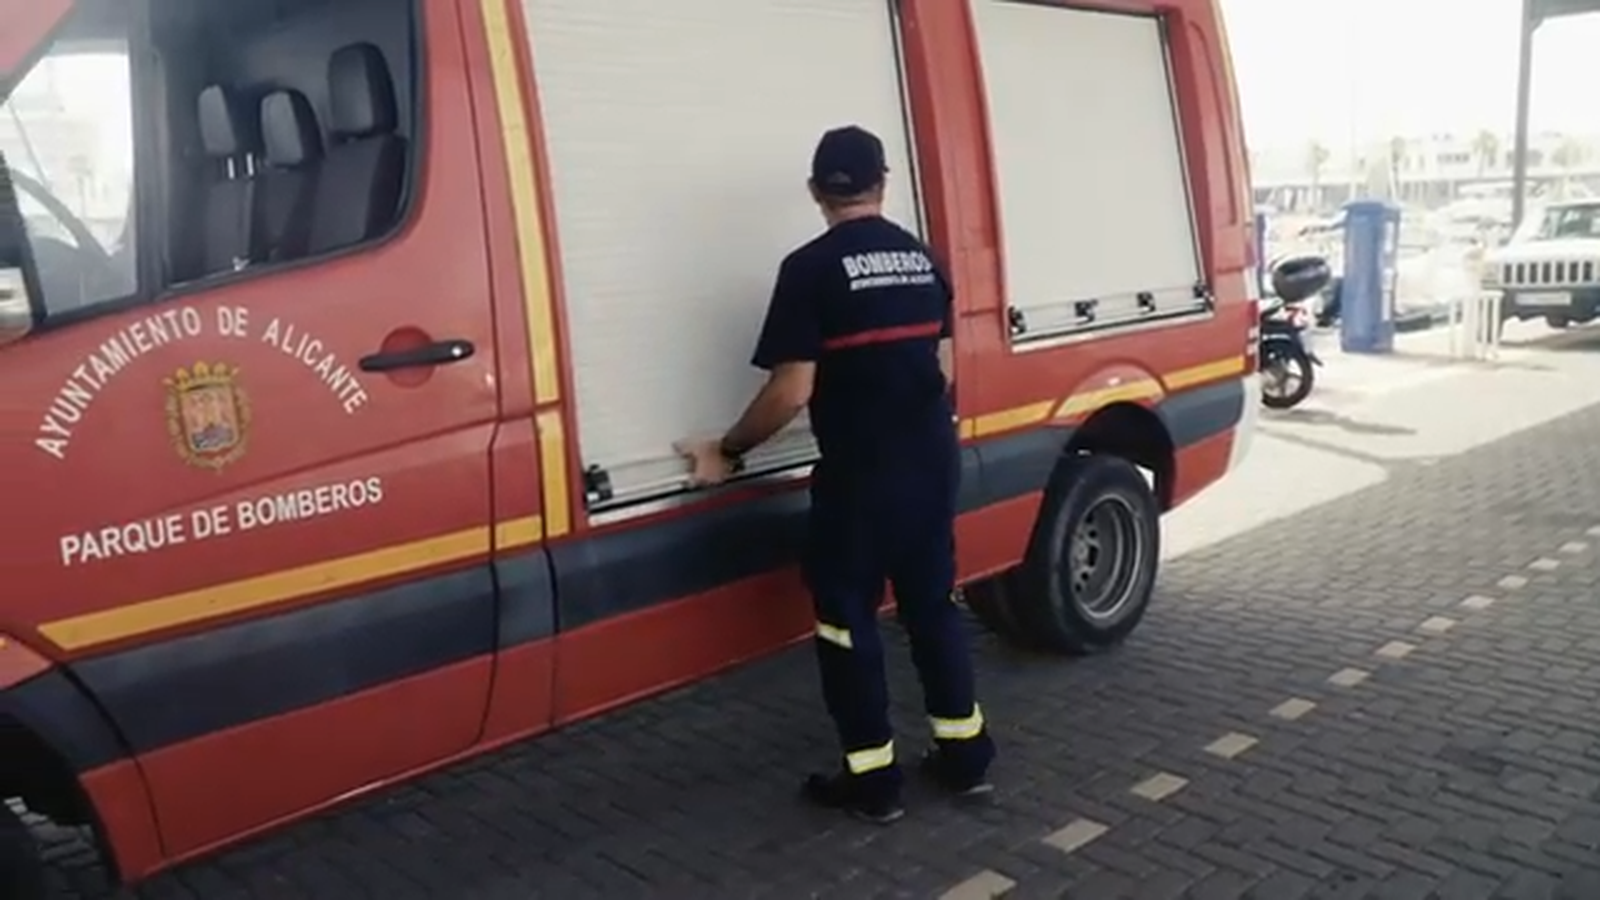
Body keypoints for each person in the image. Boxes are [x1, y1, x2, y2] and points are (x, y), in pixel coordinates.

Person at [675, 125, 996, 824]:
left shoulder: (811, 268)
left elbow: (792, 390)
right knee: (931, 606)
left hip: (862, 478)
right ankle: (966, 758)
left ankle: (873, 781)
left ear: (818, 191)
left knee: (847, 621)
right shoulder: (922, 259)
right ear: (883, 182)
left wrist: (727, 450)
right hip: (930, 461)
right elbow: (942, 372)